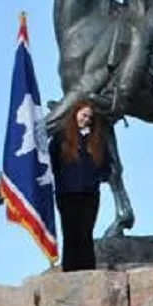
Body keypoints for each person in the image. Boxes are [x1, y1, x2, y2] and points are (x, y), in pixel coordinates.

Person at [47, 101, 114, 272]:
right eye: (84, 115)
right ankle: (70, 270)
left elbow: (107, 164)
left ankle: (87, 269)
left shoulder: (97, 139)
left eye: (90, 117)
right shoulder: (61, 137)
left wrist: (98, 177)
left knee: (86, 232)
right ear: (75, 114)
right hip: (67, 193)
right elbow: (51, 162)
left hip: (89, 193)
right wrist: (61, 180)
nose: (86, 119)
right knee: (70, 232)